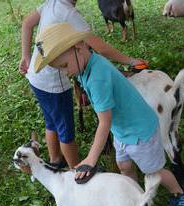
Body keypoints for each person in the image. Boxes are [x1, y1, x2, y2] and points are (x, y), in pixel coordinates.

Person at [34, 23, 184, 206]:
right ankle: (134, 198)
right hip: (122, 129)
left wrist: (91, 159)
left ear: (79, 48)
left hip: (139, 131)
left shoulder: (97, 77)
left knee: (154, 172)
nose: (65, 72)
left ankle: (179, 194)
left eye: (64, 66)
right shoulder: (86, 66)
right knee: (124, 164)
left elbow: (104, 122)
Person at [19, 0, 146, 169]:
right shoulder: (69, 13)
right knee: (66, 131)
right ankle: (76, 171)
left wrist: (26, 56)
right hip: (53, 84)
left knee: (52, 121)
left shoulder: (52, 3)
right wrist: (131, 61)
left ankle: (55, 160)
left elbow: (27, 23)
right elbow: (99, 47)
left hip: (36, 76)